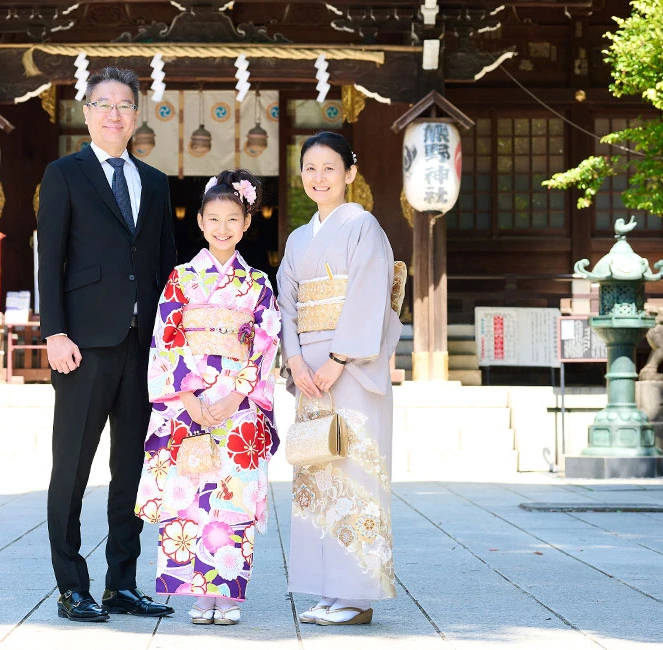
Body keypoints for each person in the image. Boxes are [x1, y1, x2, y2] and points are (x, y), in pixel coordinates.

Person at [37, 67, 177, 623]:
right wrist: (54, 332)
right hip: (82, 346)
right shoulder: (63, 174)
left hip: (143, 348)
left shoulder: (156, 182)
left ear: (136, 116)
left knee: (132, 470)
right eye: (103, 104)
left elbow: (165, 266)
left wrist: (173, 345)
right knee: (72, 467)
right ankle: (72, 585)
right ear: (87, 113)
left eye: (124, 105)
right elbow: (50, 258)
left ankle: (122, 583)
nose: (114, 114)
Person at [134, 169, 281, 626]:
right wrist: (190, 397)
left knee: (234, 494)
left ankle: (228, 594)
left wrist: (236, 396)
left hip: (238, 409)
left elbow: (266, 342)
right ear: (199, 222)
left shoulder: (258, 284)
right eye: (213, 219)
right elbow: (167, 338)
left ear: (246, 223)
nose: (222, 228)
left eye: (232, 219)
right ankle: (198, 595)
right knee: (190, 495)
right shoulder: (181, 279)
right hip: (189, 405)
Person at [276, 131, 402, 625]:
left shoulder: (362, 226)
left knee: (354, 472)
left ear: (350, 173)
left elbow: (371, 293)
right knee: (316, 473)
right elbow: (288, 304)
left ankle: (356, 595)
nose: (319, 177)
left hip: (351, 368)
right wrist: (296, 361)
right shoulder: (297, 239)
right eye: (310, 168)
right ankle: (329, 590)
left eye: (330, 168)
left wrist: (338, 357)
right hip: (310, 375)